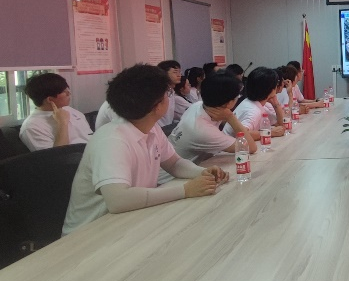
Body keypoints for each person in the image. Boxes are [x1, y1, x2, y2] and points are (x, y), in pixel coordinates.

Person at [62, 64, 226, 235]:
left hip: (130, 220)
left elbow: (174, 163)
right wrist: (185, 190)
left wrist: (202, 173)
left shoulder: (150, 127)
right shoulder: (112, 140)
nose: (169, 97)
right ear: (157, 106)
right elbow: (118, 200)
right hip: (90, 233)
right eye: (167, 94)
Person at [161, 72, 257, 184]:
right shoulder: (203, 130)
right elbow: (250, 148)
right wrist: (231, 117)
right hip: (171, 179)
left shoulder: (198, 106)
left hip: (178, 169)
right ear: (229, 103)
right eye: (237, 96)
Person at [19, 72, 93, 151]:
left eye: (67, 89)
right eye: (64, 91)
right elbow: (57, 156)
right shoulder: (32, 127)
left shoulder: (69, 110)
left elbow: (90, 136)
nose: (69, 93)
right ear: (50, 99)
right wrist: (62, 123)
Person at [223, 66, 286, 140]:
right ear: (271, 89)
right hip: (231, 145)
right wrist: (270, 133)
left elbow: (280, 125)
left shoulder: (253, 102)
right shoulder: (253, 110)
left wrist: (276, 104)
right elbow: (242, 135)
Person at [157, 60, 182, 126]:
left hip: (167, 127)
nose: (179, 75)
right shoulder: (160, 92)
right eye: (175, 72)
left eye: (180, 72)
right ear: (164, 73)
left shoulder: (171, 91)